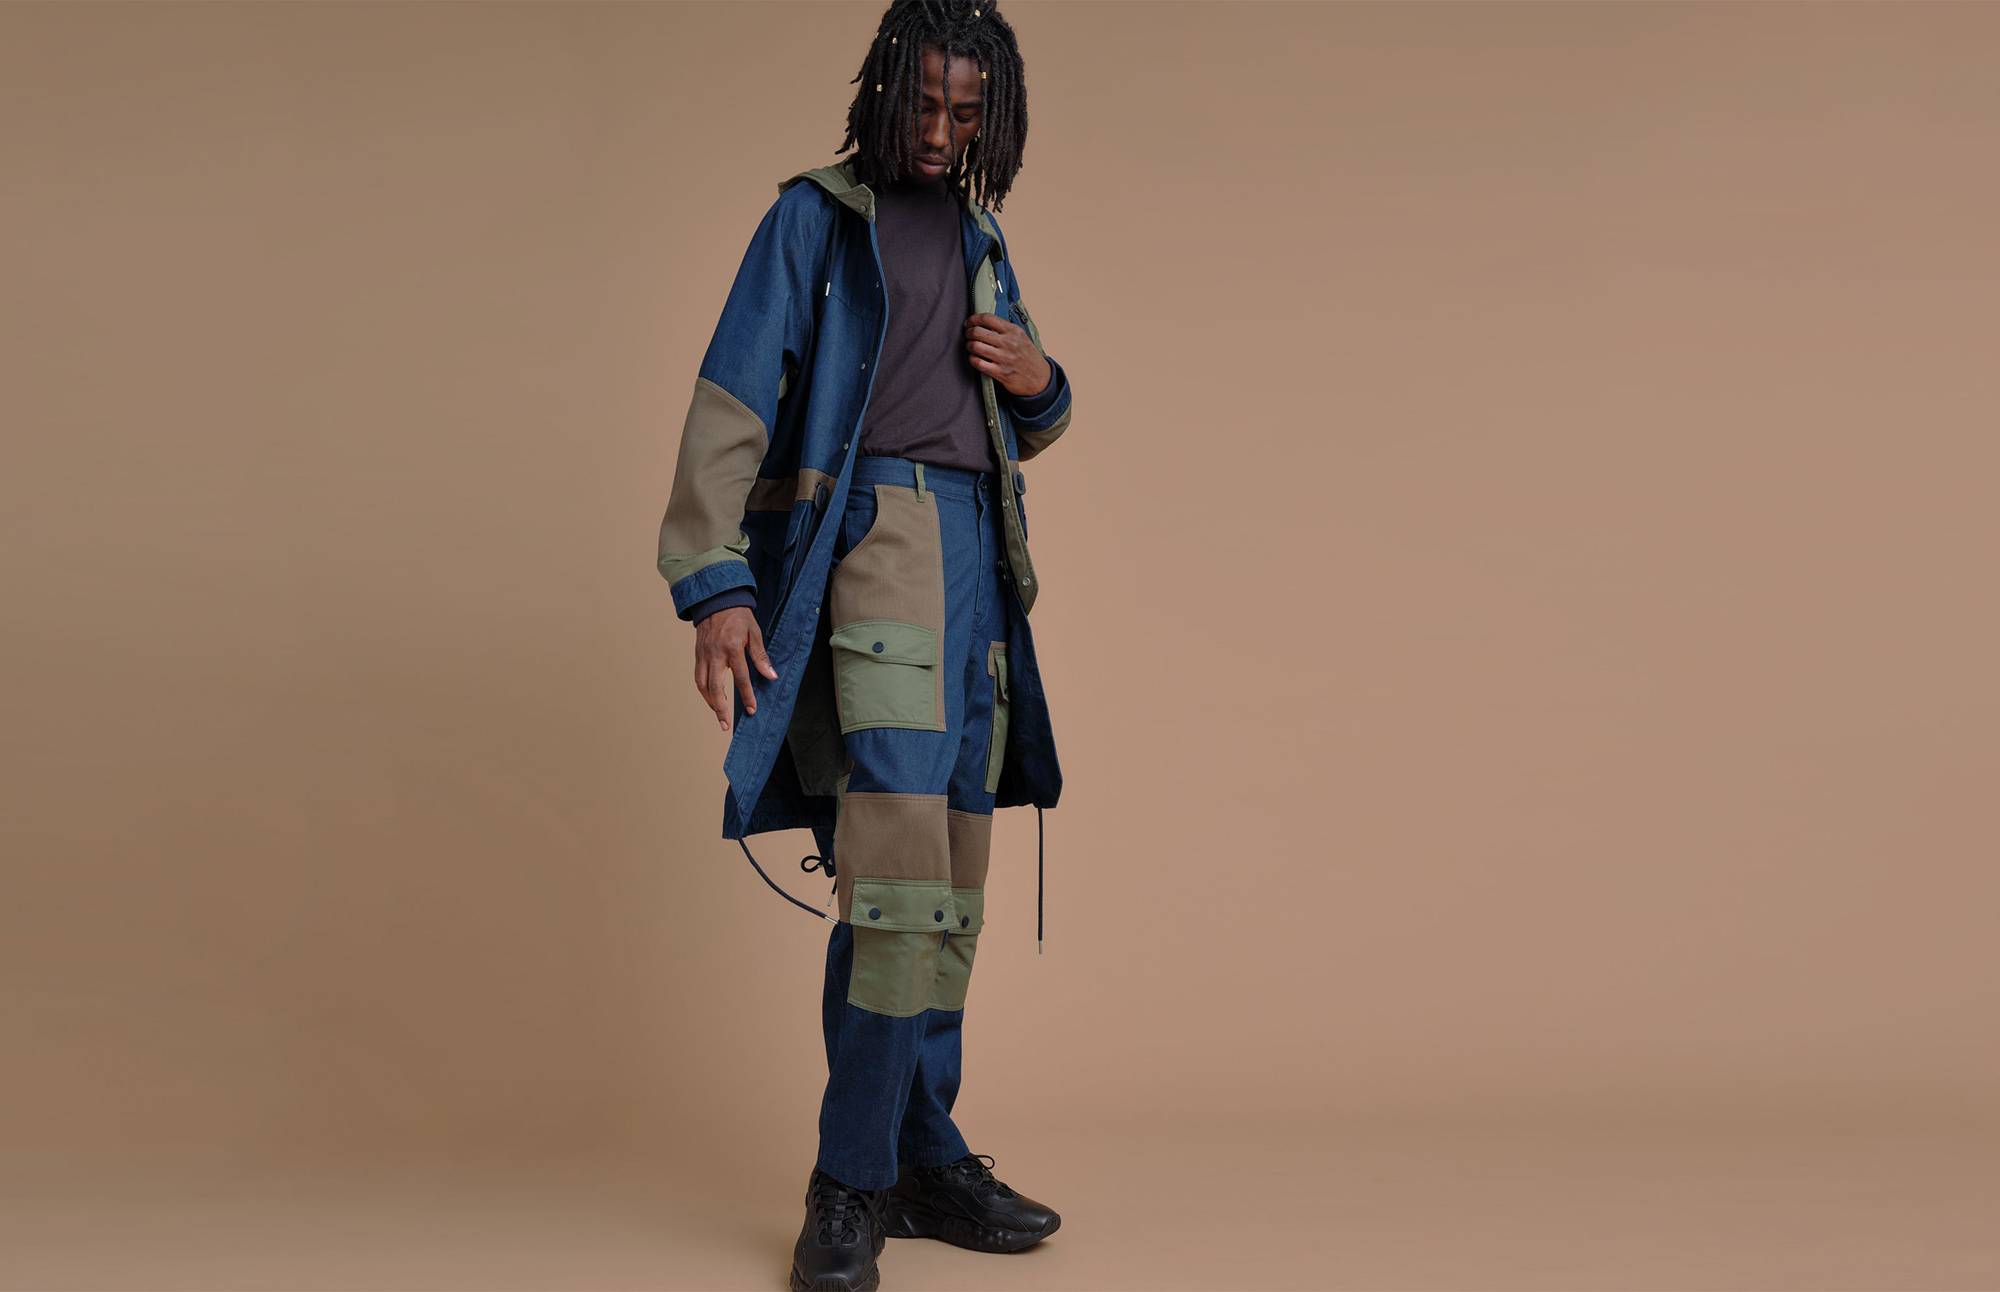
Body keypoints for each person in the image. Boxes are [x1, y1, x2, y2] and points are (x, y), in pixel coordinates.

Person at [654, 3, 1075, 1288]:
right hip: (877, 545)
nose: (942, 133)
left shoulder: (983, 235)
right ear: (885, 92)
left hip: (981, 570)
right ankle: (848, 1179)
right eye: (926, 105)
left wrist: (1037, 378)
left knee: (954, 883)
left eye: (967, 114)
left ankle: (922, 1153)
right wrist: (716, 585)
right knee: (893, 880)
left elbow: (1025, 416)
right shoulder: (813, 221)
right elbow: (731, 401)